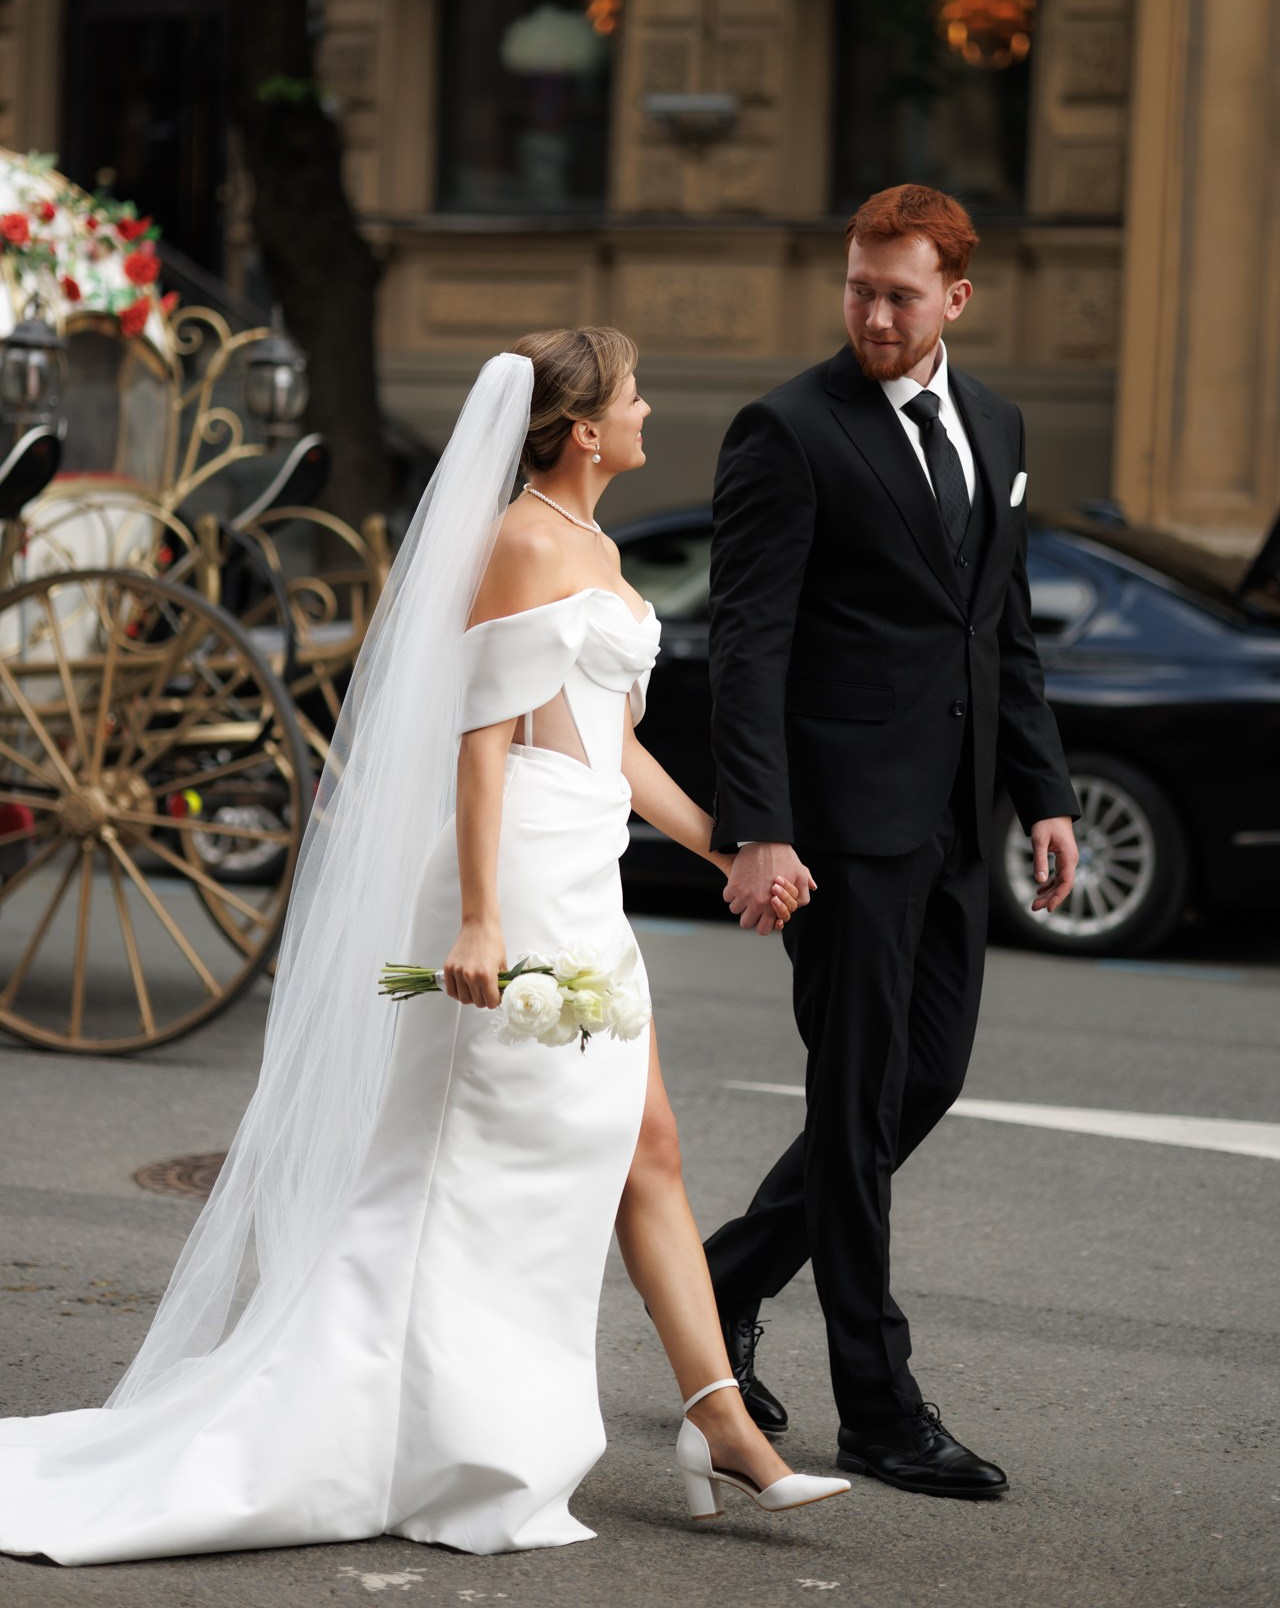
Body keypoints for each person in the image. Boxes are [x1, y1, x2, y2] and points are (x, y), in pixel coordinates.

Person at [0, 329, 846, 1567]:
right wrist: (480, 919)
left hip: (586, 874)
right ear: (581, 431)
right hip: (515, 882)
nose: (649, 409)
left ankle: (717, 1423)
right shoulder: (517, 543)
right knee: (456, 1165)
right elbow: (481, 738)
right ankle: (432, 1420)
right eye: (631, 397)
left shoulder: (602, 548)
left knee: (644, 1144)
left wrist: (725, 847)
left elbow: (609, 750)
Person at [703, 186, 1080, 1500]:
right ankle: (878, 1403)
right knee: (857, 1103)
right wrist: (758, 830)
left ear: (955, 300)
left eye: (899, 295)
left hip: (958, 819)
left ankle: (719, 1280)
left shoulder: (999, 424)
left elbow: (1000, 629)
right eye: (859, 288)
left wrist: (1043, 795)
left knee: (927, 1081)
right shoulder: (788, 431)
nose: (872, 313)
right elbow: (746, 645)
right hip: (842, 835)